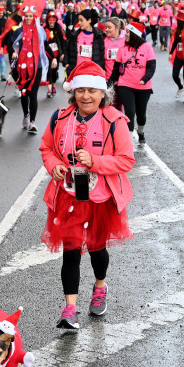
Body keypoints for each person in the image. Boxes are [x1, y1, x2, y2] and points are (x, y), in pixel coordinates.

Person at [39, 60, 135, 330]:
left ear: (103, 93)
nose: (86, 96)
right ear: (73, 92)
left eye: (93, 90)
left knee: (96, 249)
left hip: (100, 197)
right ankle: (69, 309)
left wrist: (95, 162)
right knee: (70, 251)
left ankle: (100, 286)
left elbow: (126, 161)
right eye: (81, 90)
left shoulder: (113, 120)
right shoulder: (59, 117)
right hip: (68, 195)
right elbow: (46, 148)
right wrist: (54, 166)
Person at [108, 22, 156, 144]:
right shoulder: (122, 49)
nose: (125, 34)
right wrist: (108, 85)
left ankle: (140, 132)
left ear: (135, 34)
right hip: (125, 85)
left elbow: (151, 66)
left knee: (141, 114)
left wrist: (145, 78)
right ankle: (129, 140)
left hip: (143, 87)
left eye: (128, 32)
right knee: (129, 111)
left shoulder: (147, 47)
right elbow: (116, 70)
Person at [4, 5, 48, 133]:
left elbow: (45, 47)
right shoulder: (18, 31)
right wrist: (13, 54)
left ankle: (33, 122)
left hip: (36, 67)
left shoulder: (40, 31)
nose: (29, 18)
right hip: (22, 68)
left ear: (35, 17)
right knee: (24, 94)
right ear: (23, 17)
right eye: (27, 16)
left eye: (31, 16)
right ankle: (26, 115)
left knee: (33, 94)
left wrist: (55, 58)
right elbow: (11, 46)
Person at [64, 8, 106, 76]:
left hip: (92, 73)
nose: (79, 23)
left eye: (81, 20)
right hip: (76, 72)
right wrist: (67, 64)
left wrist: (100, 68)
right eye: (79, 20)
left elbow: (101, 55)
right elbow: (67, 50)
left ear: (89, 20)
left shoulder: (98, 37)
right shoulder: (74, 35)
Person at [44, 12, 65, 98]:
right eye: (50, 20)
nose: (52, 22)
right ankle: (49, 89)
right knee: (48, 70)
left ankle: (53, 85)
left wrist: (62, 53)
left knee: (54, 70)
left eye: (53, 20)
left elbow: (63, 41)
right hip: (47, 53)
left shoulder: (58, 29)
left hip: (56, 53)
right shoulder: (44, 29)